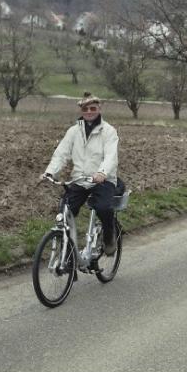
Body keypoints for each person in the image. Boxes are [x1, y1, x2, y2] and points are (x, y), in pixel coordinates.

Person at [40, 92, 119, 255]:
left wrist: (102, 172)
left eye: (93, 108)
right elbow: (62, 153)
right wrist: (50, 172)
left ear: (99, 109)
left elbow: (111, 156)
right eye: (85, 109)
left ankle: (109, 237)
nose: (89, 111)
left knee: (104, 208)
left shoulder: (109, 131)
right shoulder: (73, 131)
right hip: (80, 180)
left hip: (102, 180)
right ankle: (67, 254)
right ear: (81, 111)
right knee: (65, 212)